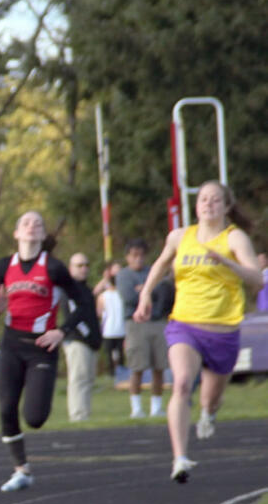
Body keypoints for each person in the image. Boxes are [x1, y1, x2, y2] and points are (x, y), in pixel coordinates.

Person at [133, 181, 262, 482]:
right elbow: (160, 265)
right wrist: (145, 295)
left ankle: (209, 413)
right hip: (185, 326)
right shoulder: (181, 236)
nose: (208, 204)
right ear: (196, 205)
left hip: (223, 331)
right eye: (203, 199)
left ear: (226, 206)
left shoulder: (235, 238)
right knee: (180, 384)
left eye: (215, 200)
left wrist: (227, 262)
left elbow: (256, 279)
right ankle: (180, 457)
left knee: (211, 399)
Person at [0, 211, 88, 492]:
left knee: (35, 418)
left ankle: (24, 465)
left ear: (43, 235)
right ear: (16, 233)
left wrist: (62, 331)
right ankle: (21, 470)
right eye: (26, 223)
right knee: (6, 408)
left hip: (42, 348)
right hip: (12, 346)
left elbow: (84, 304)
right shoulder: (4, 265)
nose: (32, 227)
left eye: (38, 223)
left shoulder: (53, 267)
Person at [117, 238, 173, 418]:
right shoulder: (124, 275)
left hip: (156, 321)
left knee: (159, 365)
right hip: (136, 323)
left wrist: (144, 290)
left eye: (141, 255)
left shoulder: (152, 272)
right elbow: (129, 297)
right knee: (137, 366)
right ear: (127, 257)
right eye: (134, 255)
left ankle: (156, 407)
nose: (138, 259)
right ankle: (136, 407)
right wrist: (148, 292)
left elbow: (163, 292)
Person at [62, 252, 101, 422]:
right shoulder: (70, 289)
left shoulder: (86, 288)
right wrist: (88, 336)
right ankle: (78, 415)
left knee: (88, 378)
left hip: (89, 341)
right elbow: (73, 316)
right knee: (79, 379)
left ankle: (84, 414)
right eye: (79, 265)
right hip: (78, 340)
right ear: (71, 268)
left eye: (86, 265)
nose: (84, 269)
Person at [96, 262, 125, 378]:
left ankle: (111, 374)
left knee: (110, 354)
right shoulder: (122, 295)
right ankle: (121, 374)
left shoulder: (102, 296)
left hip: (108, 330)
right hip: (120, 329)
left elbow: (98, 312)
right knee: (120, 354)